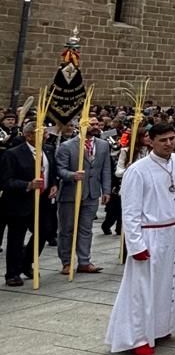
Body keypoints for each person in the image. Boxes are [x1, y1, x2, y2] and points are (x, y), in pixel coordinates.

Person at [104, 123, 175, 355]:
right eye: (163, 139)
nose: (169, 143)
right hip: (151, 234)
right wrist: (135, 245)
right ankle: (137, 337)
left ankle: (160, 327)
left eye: (172, 138)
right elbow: (131, 211)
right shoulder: (137, 170)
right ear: (150, 141)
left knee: (169, 283)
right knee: (142, 289)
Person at [54, 116, 112, 275]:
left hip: (92, 193)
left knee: (86, 229)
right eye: (91, 124)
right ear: (80, 126)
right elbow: (59, 169)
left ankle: (84, 261)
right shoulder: (67, 146)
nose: (95, 126)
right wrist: (72, 175)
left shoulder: (103, 145)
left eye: (96, 124)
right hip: (70, 193)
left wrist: (106, 190)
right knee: (67, 229)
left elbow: (106, 169)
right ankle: (66, 262)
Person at [1, 120, 49, 286]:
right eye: (41, 133)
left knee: (44, 232)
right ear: (29, 135)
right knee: (16, 237)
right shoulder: (13, 154)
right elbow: (6, 181)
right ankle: (12, 273)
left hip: (42, 200)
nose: (46, 136)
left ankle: (26, 262)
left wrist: (54, 184)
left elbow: (51, 170)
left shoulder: (48, 150)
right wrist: (27, 185)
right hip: (19, 202)